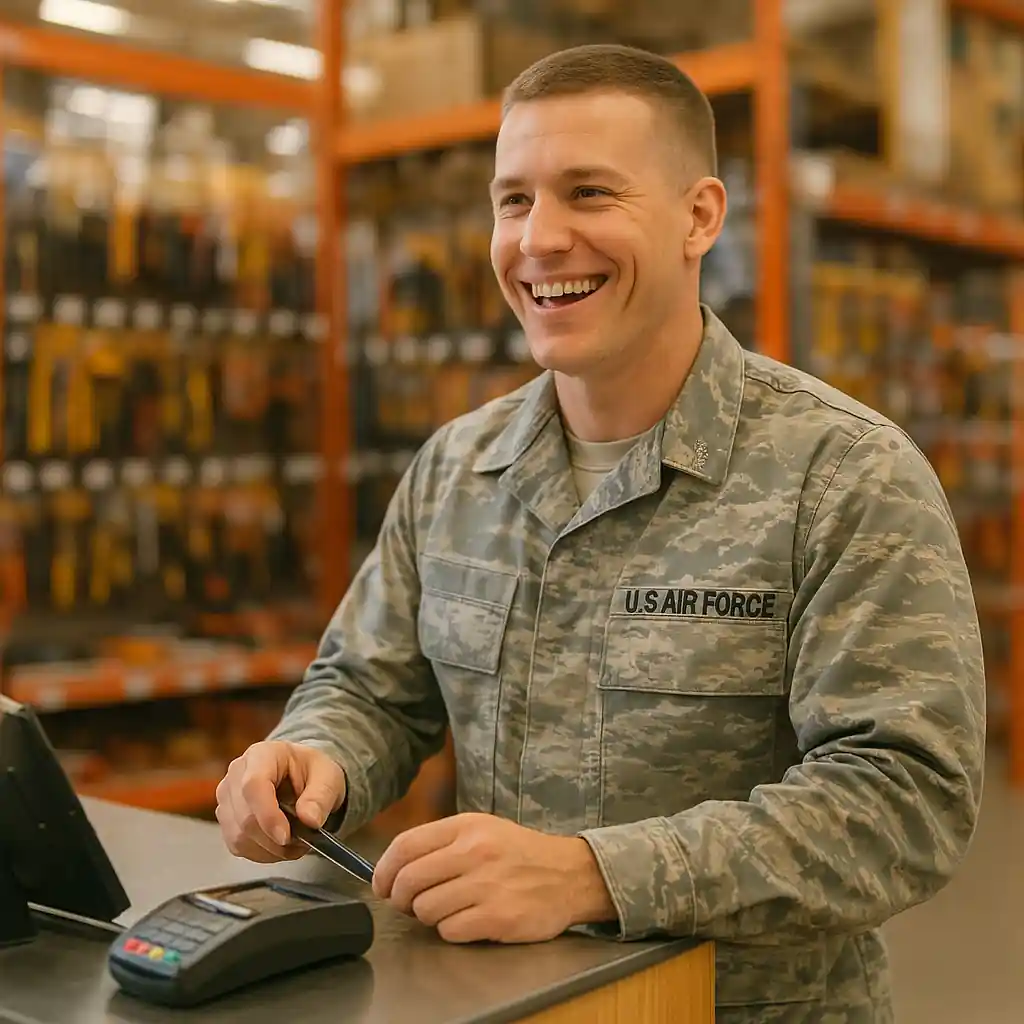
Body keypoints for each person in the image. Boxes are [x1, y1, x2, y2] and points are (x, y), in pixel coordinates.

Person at [215, 43, 986, 1023]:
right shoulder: (458, 469)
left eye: (588, 193)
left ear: (699, 217)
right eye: (512, 200)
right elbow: (371, 685)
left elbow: (902, 803)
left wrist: (589, 874)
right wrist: (314, 757)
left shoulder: (841, 477)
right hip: (498, 1003)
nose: (539, 240)